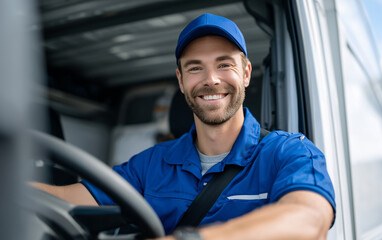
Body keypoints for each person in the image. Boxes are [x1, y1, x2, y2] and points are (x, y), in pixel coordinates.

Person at [32, 13, 335, 240]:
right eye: (195, 68)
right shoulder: (151, 164)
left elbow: (309, 218)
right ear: (181, 80)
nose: (211, 79)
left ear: (245, 73)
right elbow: (63, 198)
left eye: (224, 64)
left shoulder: (288, 151)